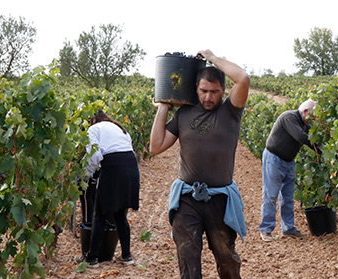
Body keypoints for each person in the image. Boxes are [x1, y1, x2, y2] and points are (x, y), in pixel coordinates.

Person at [149, 49, 250, 279]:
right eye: (203, 91)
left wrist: (213, 59)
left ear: (223, 91)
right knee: (188, 259)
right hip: (187, 200)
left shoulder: (231, 111)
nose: (208, 97)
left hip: (220, 200)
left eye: (214, 92)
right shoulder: (183, 114)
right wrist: (164, 106)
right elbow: (155, 147)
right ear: (196, 88)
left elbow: (243, 78)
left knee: (227, 260)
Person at [83, 111, 140, 267]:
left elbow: (94, 155)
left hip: (114, 166)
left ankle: (92, 258)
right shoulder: (118, 127)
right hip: (131, 165)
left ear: (93, 119)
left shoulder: (93, 129)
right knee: (121, 213)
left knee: (100, 213)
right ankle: (127, 256)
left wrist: (87, 174)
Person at [258, 99, 320, 242]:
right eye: (314, 116)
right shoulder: (289, 117)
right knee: (271, 195)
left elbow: (313, 137)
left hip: (289, 161)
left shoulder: (306, 124)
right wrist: (318, 149)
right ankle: (266, 230)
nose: (315, 120)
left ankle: (288, 229)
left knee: (288, 197)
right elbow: (300, 136)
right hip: (273, 159)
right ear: (305, 112)